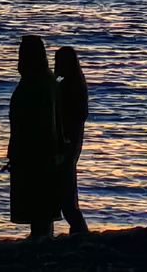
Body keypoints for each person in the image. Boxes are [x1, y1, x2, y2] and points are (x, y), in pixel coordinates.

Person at [8, 36, 61, 238]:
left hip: (35, 152)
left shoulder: (39, 85)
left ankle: (41, 235)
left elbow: (42, 123)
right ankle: (41, 234)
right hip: (33, 150)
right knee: (38, 200)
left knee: (38, 197)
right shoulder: (41, 82)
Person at [54, 46, 90, 234]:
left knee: (66, 197)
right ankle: (79, 231)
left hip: (66, 145)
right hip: (73, 145)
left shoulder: (67, 88)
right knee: (68, 194)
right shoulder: (77, 86)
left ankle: (80, 231)